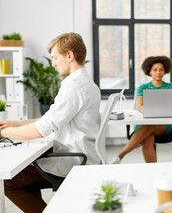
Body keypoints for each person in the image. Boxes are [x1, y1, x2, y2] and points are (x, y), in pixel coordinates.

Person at [0, 32, 101, 213]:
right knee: (25, 170)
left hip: (73, 159)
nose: (53, 63)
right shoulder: (86, 83)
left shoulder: (74, 86)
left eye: (55, 58)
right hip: (82, 153)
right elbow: (51, 119)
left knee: (9, 182)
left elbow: (40, 130)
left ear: (69, 55)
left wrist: (2, 133)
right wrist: (16, 125)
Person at [112, 55, 172, 164]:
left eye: (161, 69)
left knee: (147, 127)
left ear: (165, 71)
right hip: (146, 122)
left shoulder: (171, 87)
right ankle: (152, 170)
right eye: (155, 70)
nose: (158, 72)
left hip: (163, 125)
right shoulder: (143, 88)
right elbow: (140, 106)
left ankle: (120, 156)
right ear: (149, 71)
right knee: (147, 140)